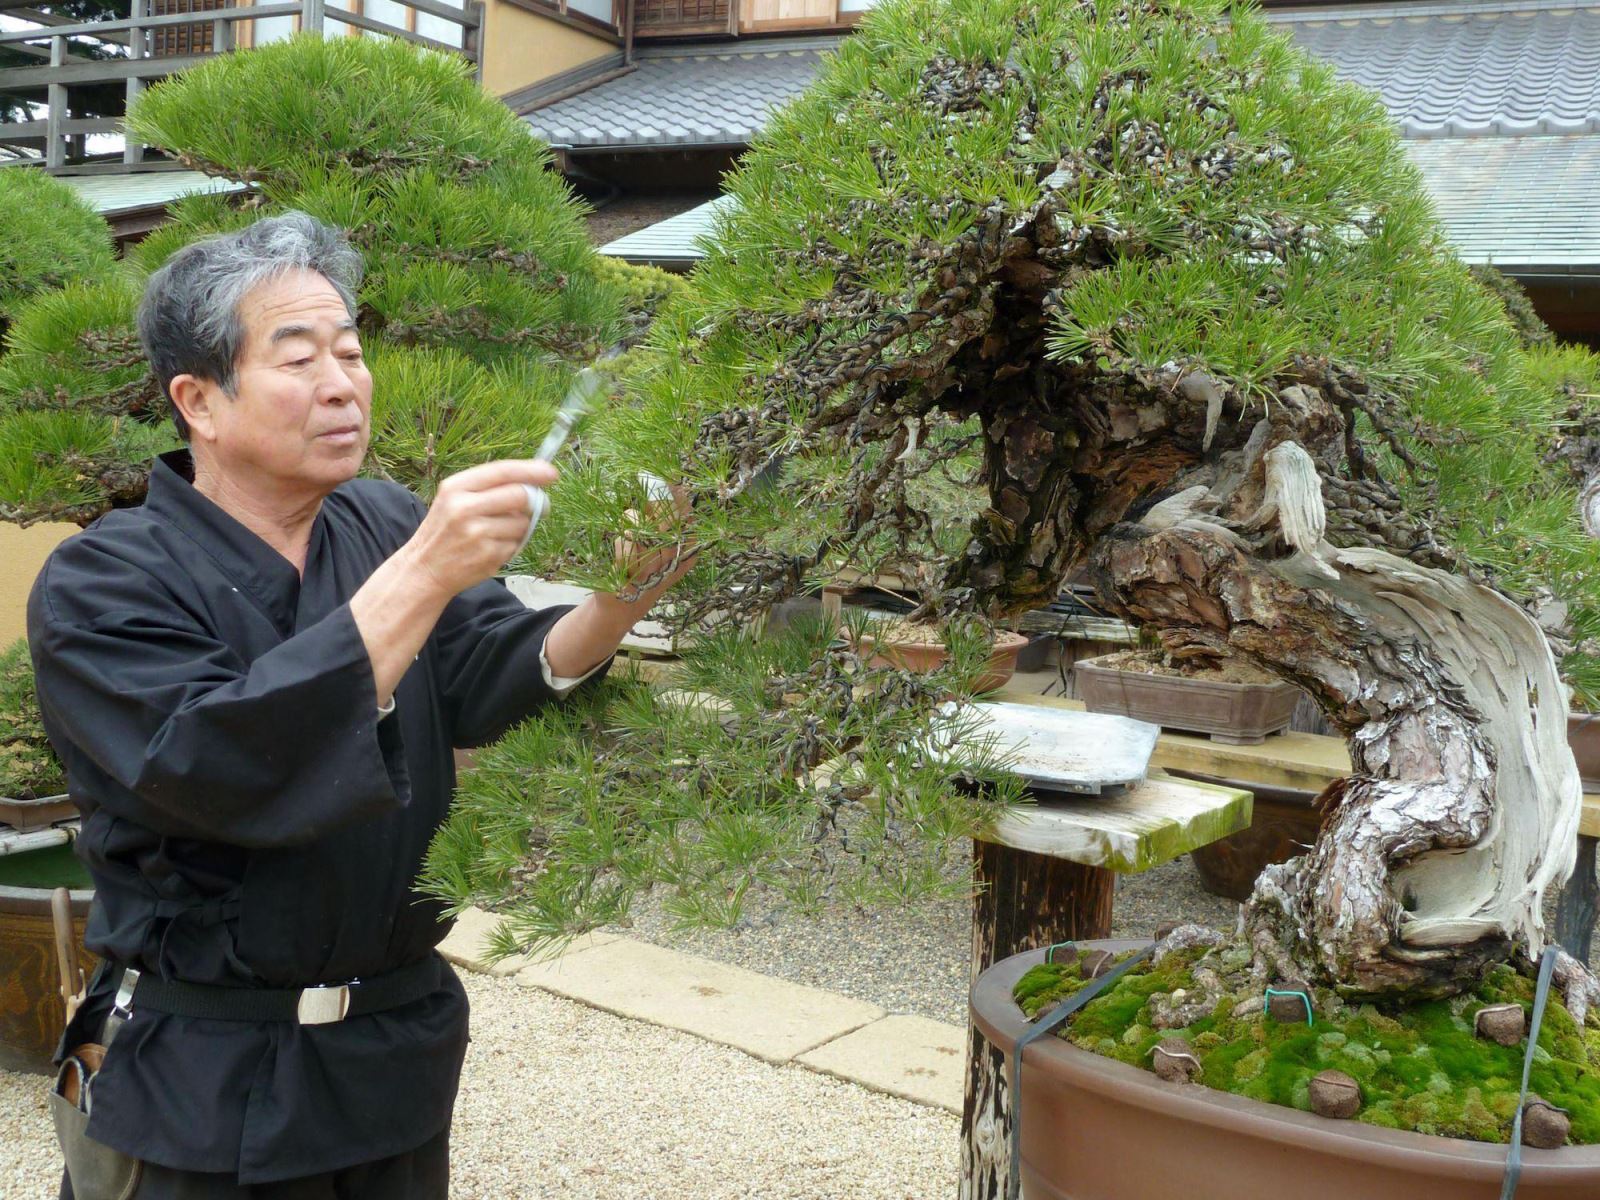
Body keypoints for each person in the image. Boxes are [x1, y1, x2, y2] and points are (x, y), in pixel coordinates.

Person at [28, 212, 691, 1198]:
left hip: (394, 1051)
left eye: (351, 349)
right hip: (205, 1073)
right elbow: (210, 763)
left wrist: (620, 600)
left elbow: (485, 675)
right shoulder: (102, 581)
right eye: (299, 358)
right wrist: (424, 568)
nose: (343, 382)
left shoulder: (380, 519)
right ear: (198, 401)